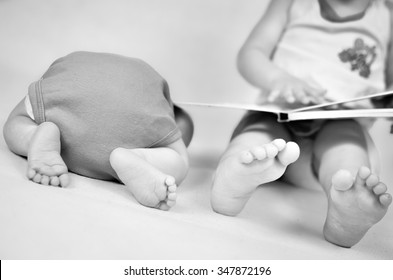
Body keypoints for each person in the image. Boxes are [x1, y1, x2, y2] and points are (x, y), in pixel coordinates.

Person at [211, 0, 392, 247]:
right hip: (281, 115)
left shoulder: (387, 15)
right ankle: (232, 178)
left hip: (337, 130)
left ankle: (347, 205)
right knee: (257, 135)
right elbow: (250, 54)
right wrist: (278, 79)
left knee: (347, 151)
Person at [3, 51, 194, 211]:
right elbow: (179, 152)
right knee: (179, 162)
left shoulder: (82, 59)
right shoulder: (160, 108)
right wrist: (175, 150)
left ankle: (35, 136)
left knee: (15, 123)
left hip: (67, 84)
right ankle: (136, 157)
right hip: (136, 114)